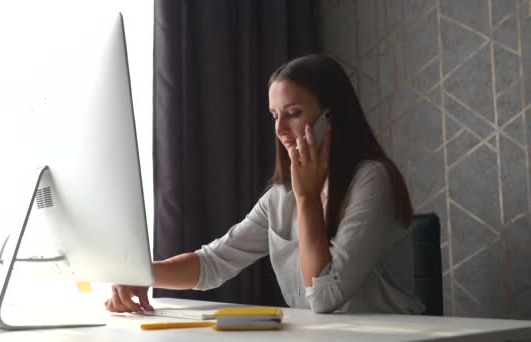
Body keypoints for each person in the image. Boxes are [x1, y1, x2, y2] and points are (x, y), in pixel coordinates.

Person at [105, 54, 426, 314]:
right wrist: (140, 273)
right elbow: (213, 262)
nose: (281, 129)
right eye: (275, 116)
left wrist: (308, 197)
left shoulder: (371, 180)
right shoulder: (280, 197)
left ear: (331, 117)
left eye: (294, 113)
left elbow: (326, 298)